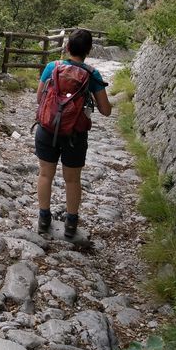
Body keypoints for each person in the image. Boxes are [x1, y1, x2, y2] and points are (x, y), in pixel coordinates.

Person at [35, 29, 112, 237]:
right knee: (72, 180)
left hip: (47, 128)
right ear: (88, 50)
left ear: (67, 47)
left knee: (45, 174)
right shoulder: (92, 74)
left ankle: (43, 220)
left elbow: (39, 97)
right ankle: (70, 225)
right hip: (75, 135)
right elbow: (106, 111)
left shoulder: (52, 67)